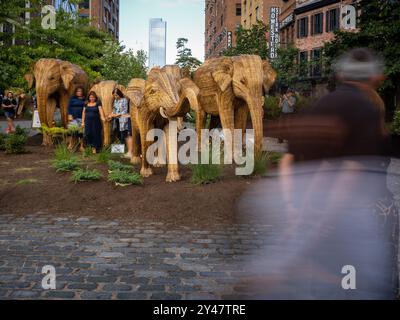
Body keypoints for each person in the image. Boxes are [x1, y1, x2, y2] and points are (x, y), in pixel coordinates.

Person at [108, 88, 133, 159]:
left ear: (119, 94)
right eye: (114, 95)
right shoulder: (115, 101)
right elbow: (114, 109)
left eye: (116, 95)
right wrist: (111, 115)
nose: (115, 97)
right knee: (120, 135)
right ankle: (122, 151)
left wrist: (114, 115)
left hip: (124, 120)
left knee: (126, 135)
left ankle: (129, 151)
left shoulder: (124, 100)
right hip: (117, 120)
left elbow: (124, 111)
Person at [67, 87, 86, 151]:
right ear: (75, 92)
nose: (79, 92)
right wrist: (69, 115)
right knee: (72, 131)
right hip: (73, 118)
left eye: (80, 91)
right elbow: (69, 107)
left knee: (81, 133)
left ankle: (81, 146)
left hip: (82, 118)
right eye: (78, 91)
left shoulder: (85, 99)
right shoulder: (72, 99)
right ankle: (70, 144)